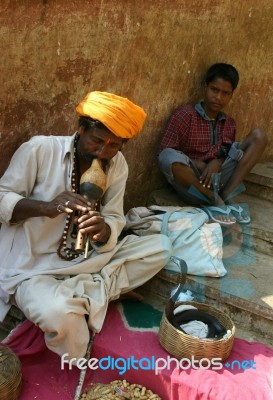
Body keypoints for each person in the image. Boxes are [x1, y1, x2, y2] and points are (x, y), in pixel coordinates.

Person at [0, 91, 172, 359]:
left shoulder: (117, 165)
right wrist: (47, 207)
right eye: (97, 141)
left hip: (87, 260)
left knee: (160, 246)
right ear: (81, 129)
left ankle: (89, 293)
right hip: (33, 269)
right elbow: (2, 198)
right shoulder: (40, 149)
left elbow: (115, 217)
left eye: (114, 145)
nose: (103, 151)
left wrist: (104, 230)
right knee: (62, 318)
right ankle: (97, 294)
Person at [158, 63, 268, 226]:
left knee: (259, 136)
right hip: (194, 183)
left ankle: (228, 194)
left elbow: (227, 150)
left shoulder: (229, 123)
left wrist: (216, 162)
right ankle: (214, 200)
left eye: (225, 93)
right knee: (167, 156)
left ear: (231, 95)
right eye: (214, 90)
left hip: (219, 179)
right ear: (205, 87)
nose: (218, 97)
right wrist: (200, 165)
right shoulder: (185, 115)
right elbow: (166, 150)